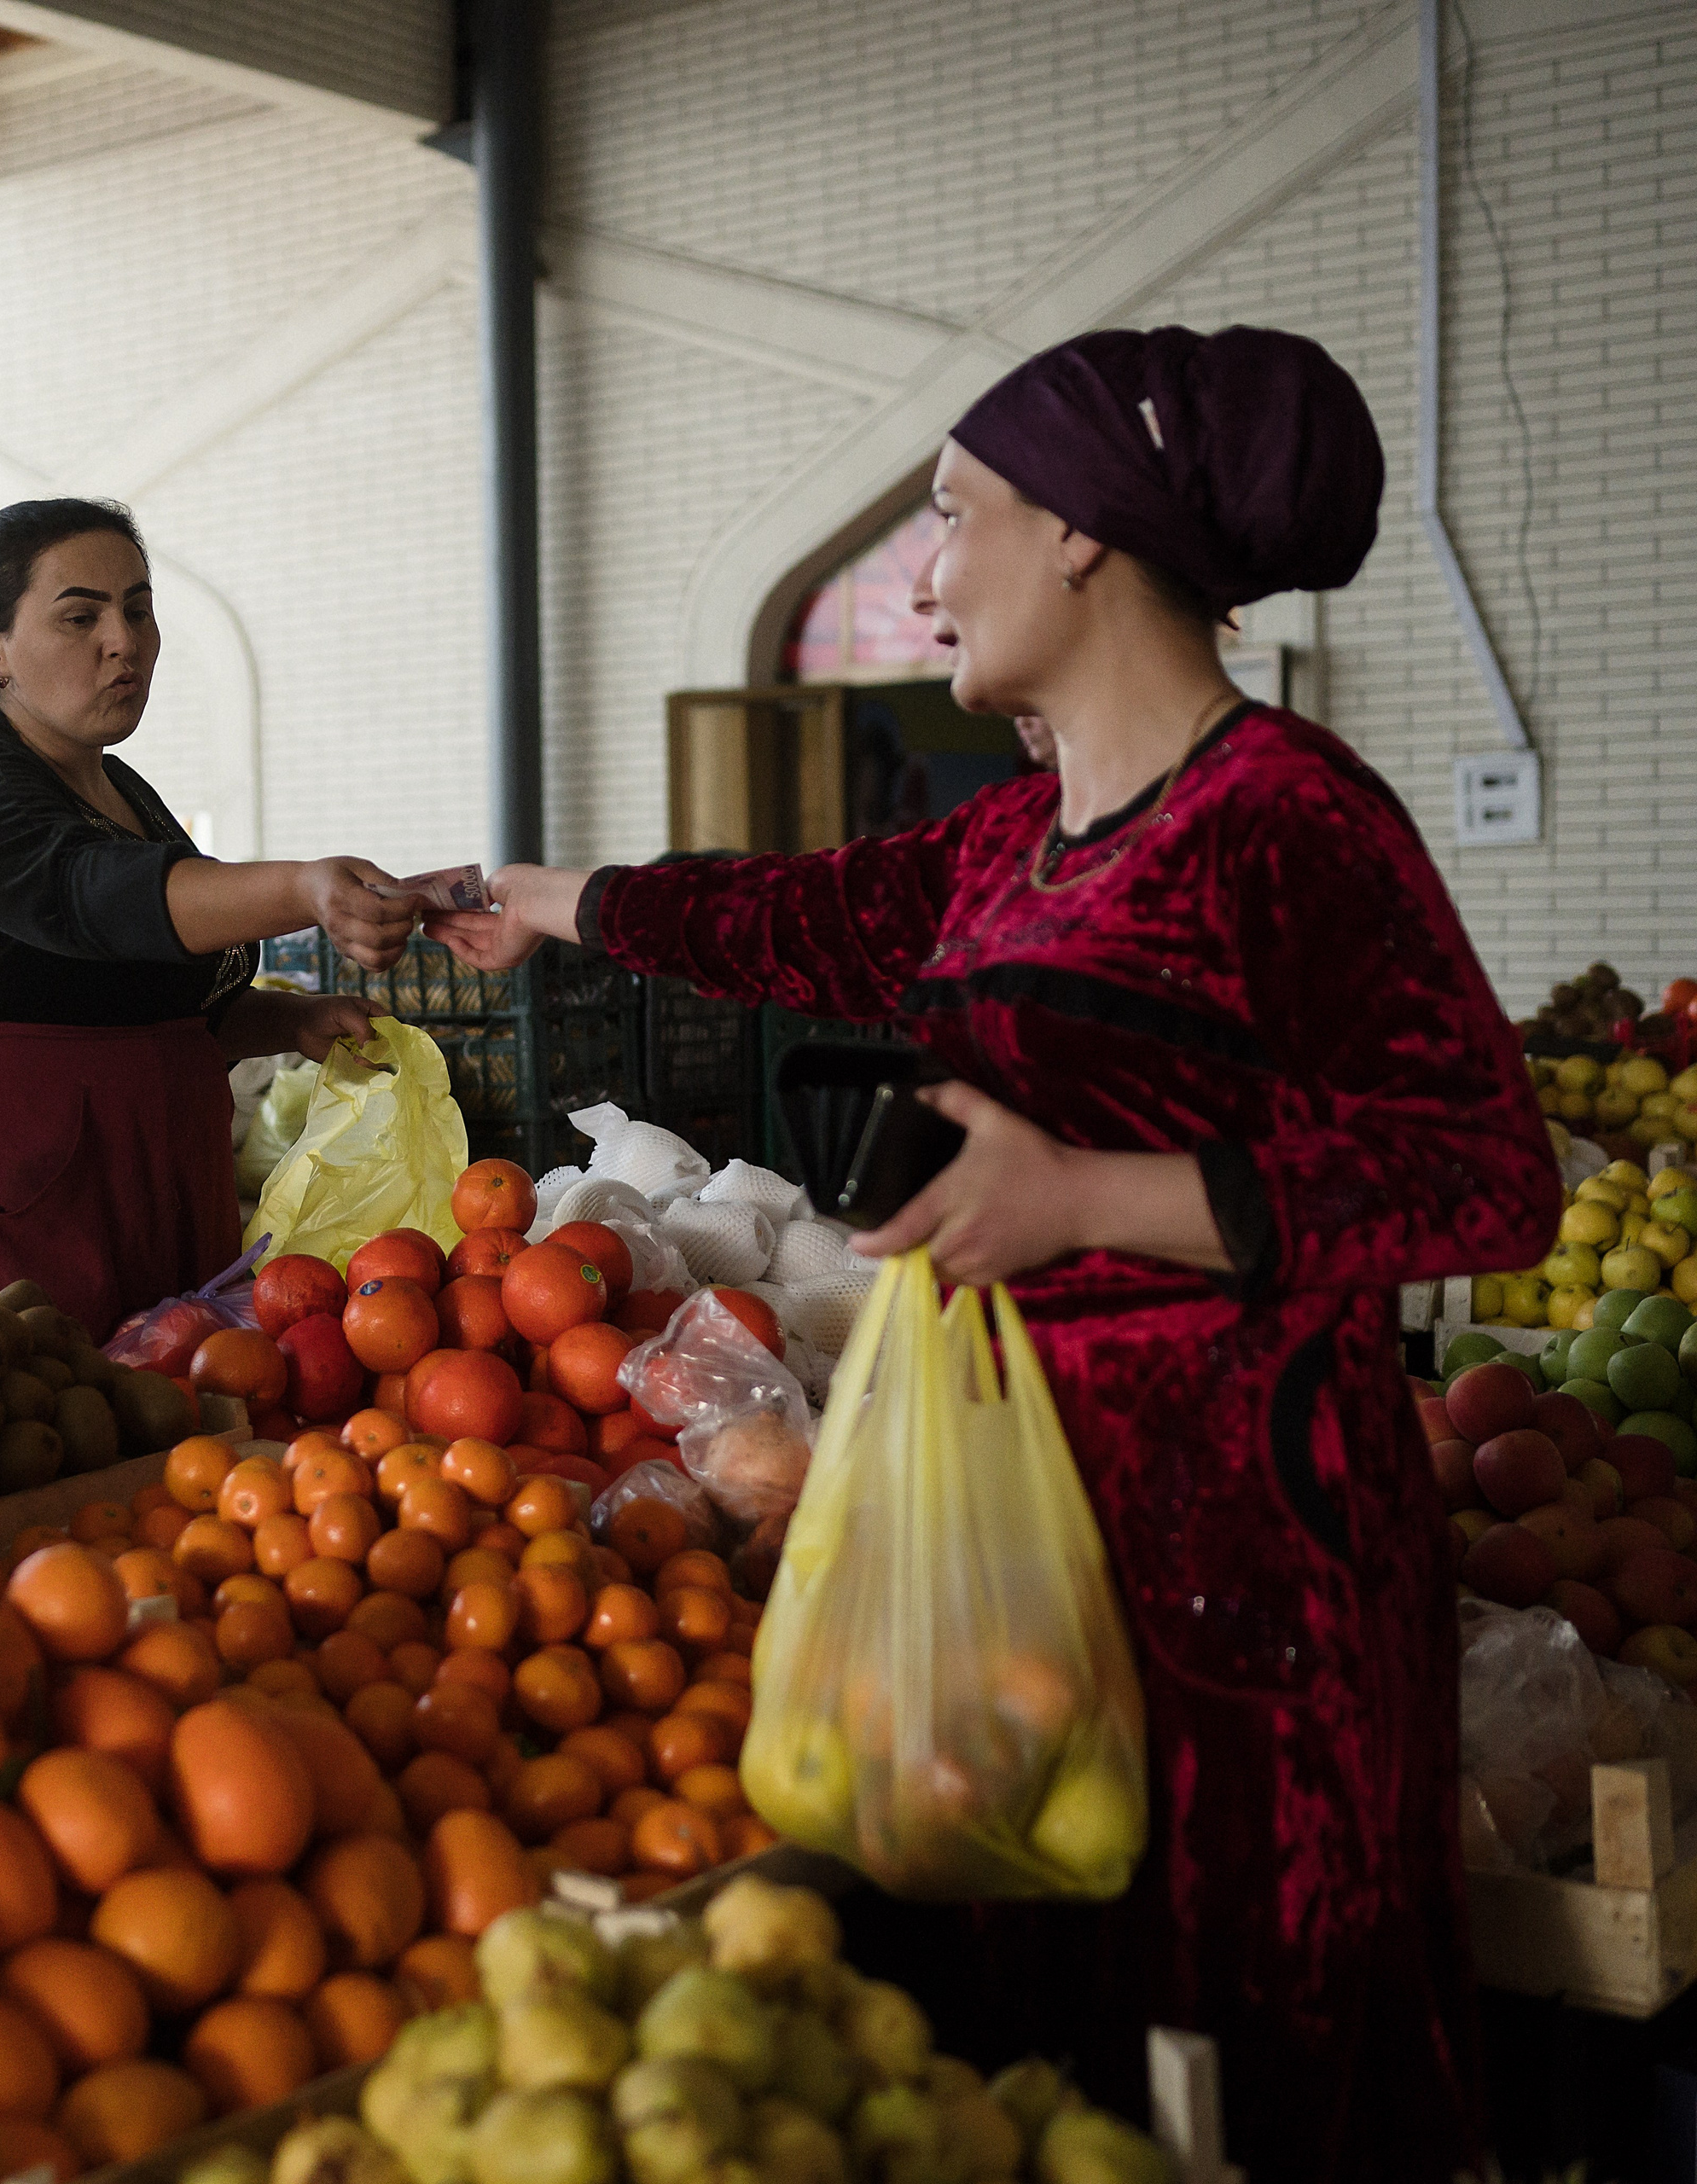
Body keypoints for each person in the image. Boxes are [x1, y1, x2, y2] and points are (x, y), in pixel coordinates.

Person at [429, 326, 1561, 2179]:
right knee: (1040, 2032)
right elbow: (797, 912)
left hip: (1244, 1553)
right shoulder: (1017, 839)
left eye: (951, 517)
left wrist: (1085, 1197)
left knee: (1240, 2019)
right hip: (1021, 1526)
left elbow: (1477, 1172)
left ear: (1084, 537)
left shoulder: (1285, 815)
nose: (924, 572)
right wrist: (534, 902)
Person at [0, 498, 406, 1337]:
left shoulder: (124, 792)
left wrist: (293, 1020)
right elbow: (94, 897)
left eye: (138, 609)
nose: (122, 641)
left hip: (127, 1191)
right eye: (80, 616)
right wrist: (305, 888)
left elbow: (131, 1002)